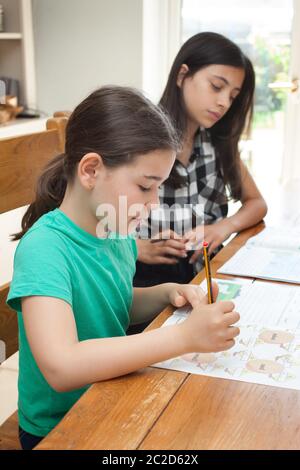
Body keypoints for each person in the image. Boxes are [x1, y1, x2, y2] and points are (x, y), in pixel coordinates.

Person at [7, 86, 240, 450]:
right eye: (146, 186)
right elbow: (62, 366)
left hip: (110, 395)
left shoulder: (114, 231)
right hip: (60, 427)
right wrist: (181, 337)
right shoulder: (45, 249)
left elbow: (112, 303)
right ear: (91, 170)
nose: (153, 203)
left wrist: (166, 294)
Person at [134, 32, 268, 288]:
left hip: (203, 273)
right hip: (144, 279)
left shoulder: (218, 143)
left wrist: (223, 227)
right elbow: (94, 219)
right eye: (217, 86)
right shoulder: (140, 138)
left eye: (232, 96)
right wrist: (135, 248)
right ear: (182, 75)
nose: (223, 103)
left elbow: (257, 203)